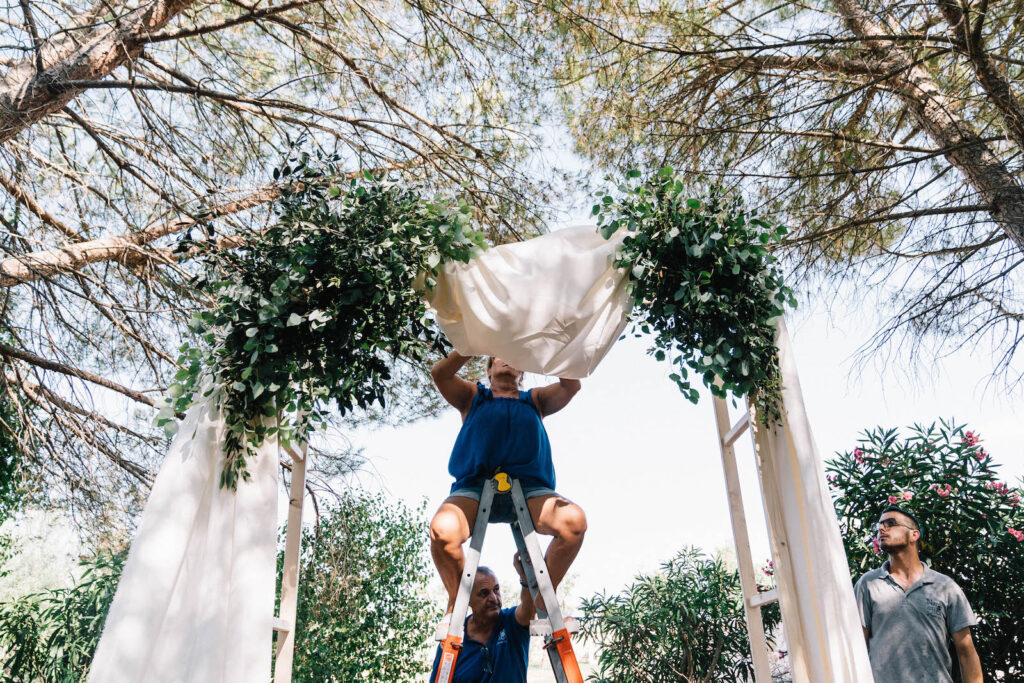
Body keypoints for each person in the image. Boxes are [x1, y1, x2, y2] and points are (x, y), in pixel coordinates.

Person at [429, 352, 586, 622]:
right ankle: (457, 601)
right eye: (498, 354)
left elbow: (571, 386)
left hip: (530, 490)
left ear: (522, 373)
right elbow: (440, 374)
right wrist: (469, 345)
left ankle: (544, 600)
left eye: (512, 354)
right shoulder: (473, 397)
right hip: (475, 487)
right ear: (488, 370)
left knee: (574, 522)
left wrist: (550, 350)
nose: (506, 356)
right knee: (443, 531)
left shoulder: (534, 400)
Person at [854, 506, 983, 683]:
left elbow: (966, 651)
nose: (881, 529)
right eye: (880, 525)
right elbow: (856, 648)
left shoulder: (945, 587)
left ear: (914, 535)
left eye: (891, 523)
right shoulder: (868, 584)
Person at [429, 556, 534, 683]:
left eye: (496, 590)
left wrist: (526, 578)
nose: (494, 598)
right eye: (484, 593)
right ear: (468, 600)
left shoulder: (511, 622)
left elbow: (528, 609)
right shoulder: (454, 636)